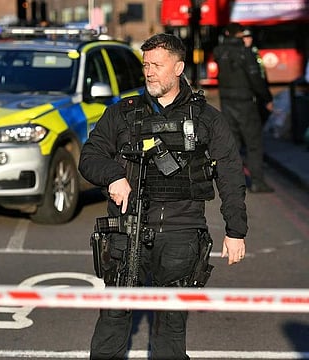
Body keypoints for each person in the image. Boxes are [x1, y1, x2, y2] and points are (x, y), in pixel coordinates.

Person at [79, 33, 247, 360]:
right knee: (112, 319)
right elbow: (89, 156)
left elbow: (229, 171)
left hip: (181, 233)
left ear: (179, 68)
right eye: (145, 65)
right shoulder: (122, 113)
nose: (149, 72)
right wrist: (113, 176)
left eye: (157, 65)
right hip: (127, 230)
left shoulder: (206, 118)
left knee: (170, 328)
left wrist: (235, 230)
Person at [213, 22, 274, 193]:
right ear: (240, 34)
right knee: (253, 143)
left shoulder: (220, 52)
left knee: (233, 144)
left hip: (226, 101)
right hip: (246, 102)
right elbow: (256, 79)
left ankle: (233, 183)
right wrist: (267, 98)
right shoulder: (245, 53)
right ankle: (257, 181)